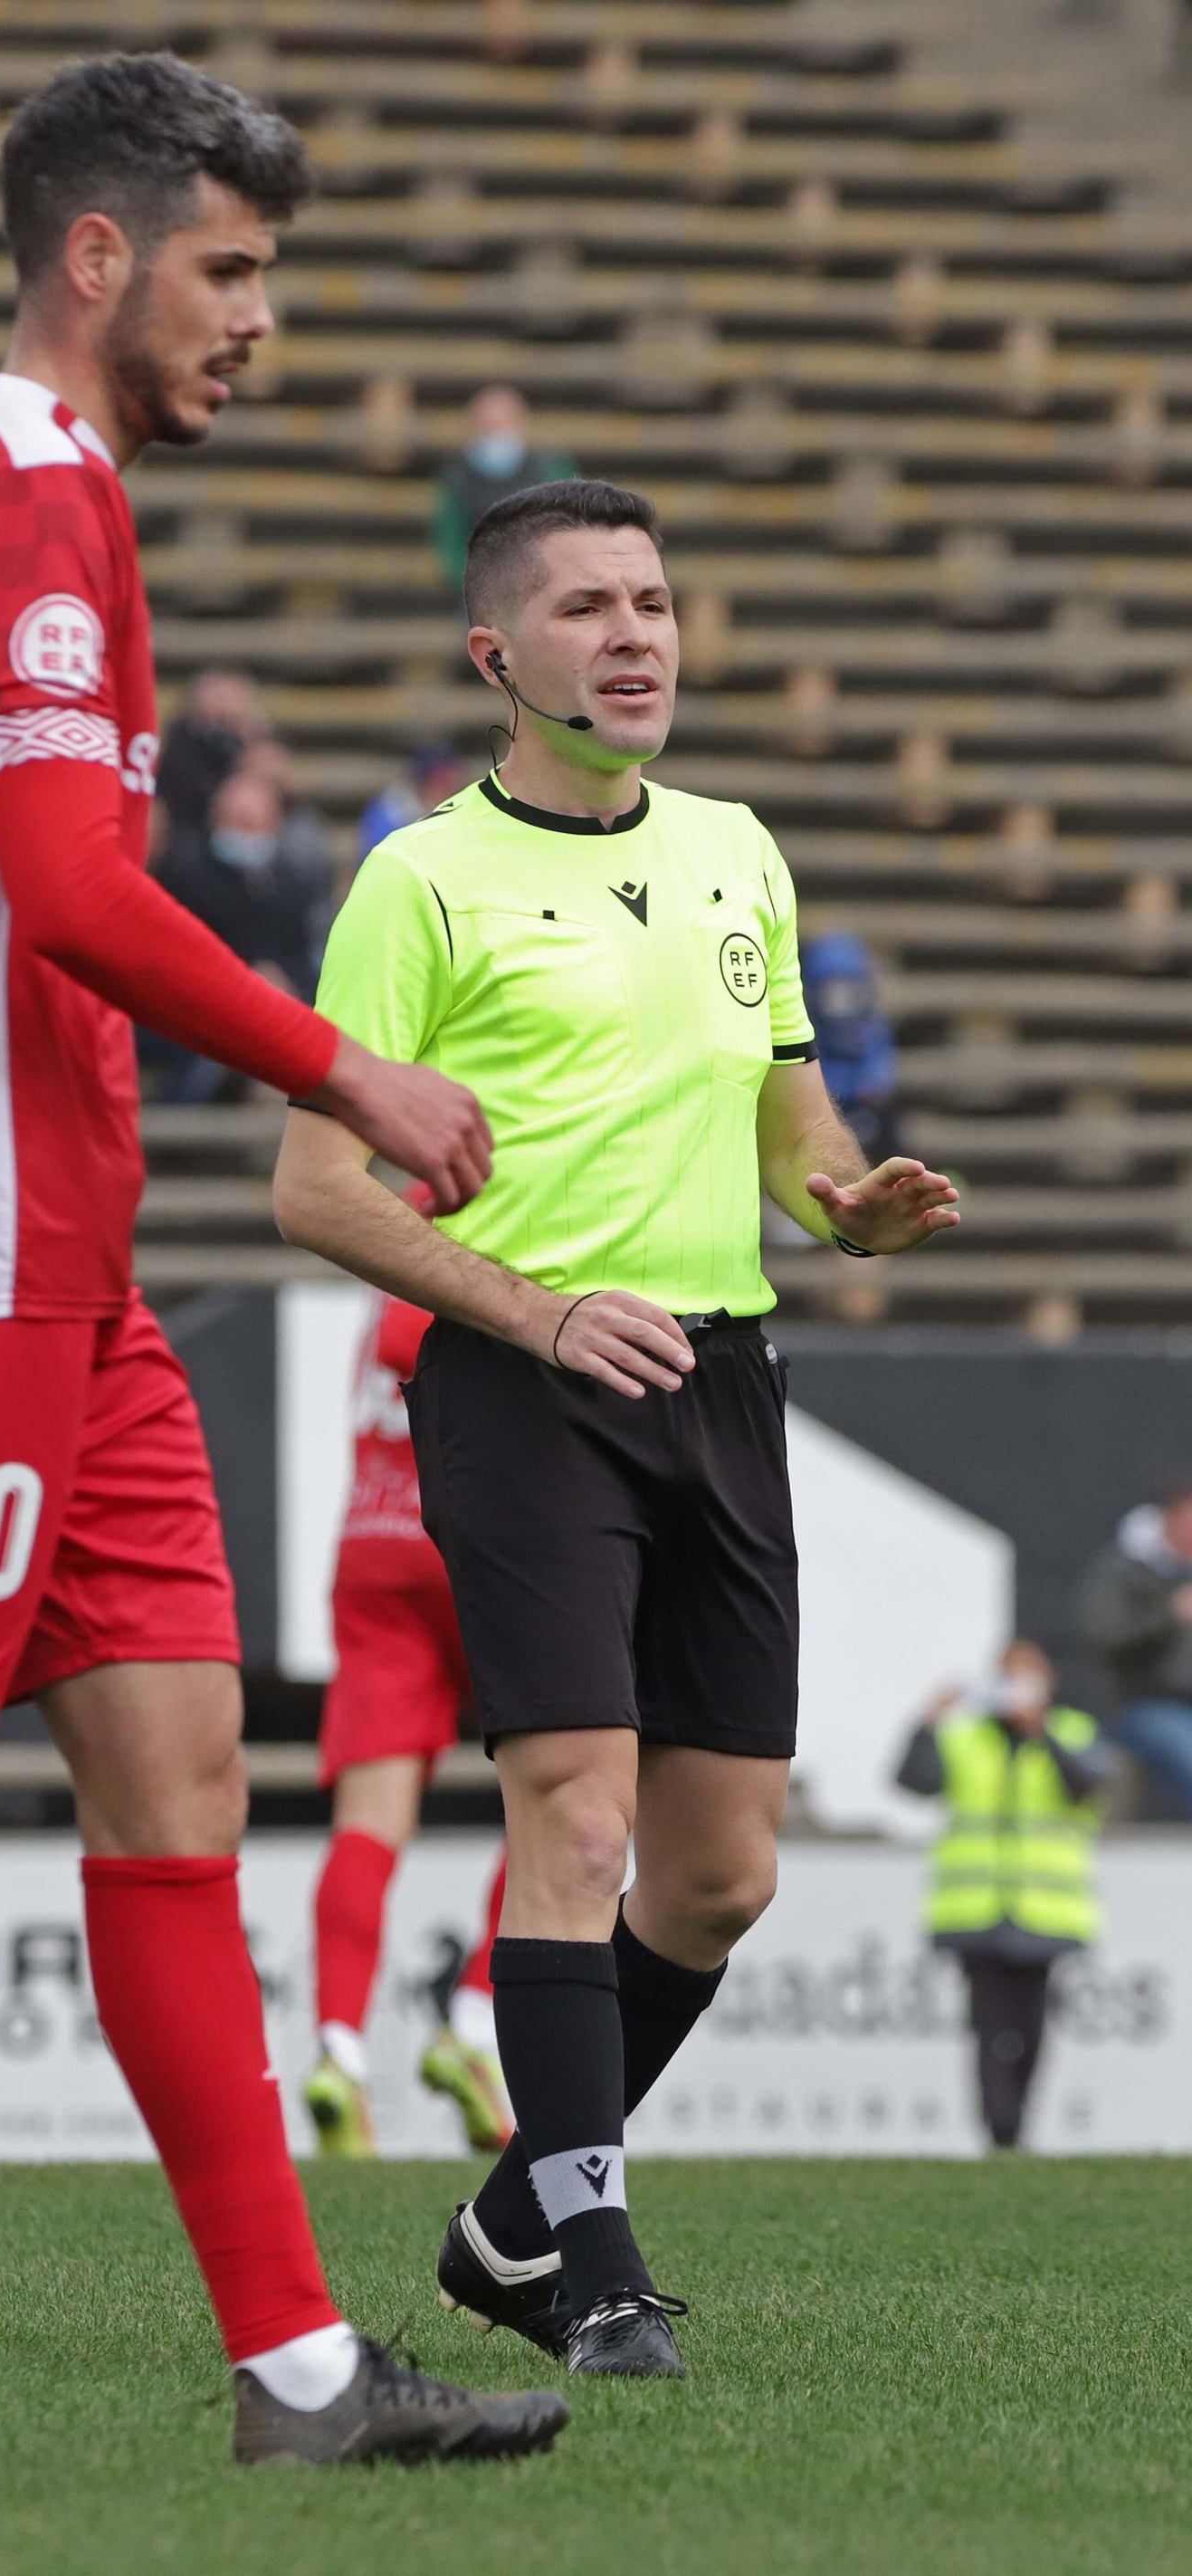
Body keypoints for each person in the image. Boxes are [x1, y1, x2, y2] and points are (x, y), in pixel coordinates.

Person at [0, 52, 565, 2473]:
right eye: (230, 270)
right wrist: (352, 1070)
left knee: (182, 1773)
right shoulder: (32, 505)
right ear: (95, 255)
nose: (259, 324)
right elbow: (87, 893)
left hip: (61, 1296)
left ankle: (303, 2369)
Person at [272, 476, 959, 2380]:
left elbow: (785, 1117)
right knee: (568, 1818)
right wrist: (531, 1309)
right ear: (497, 655)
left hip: (722, 1382)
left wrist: (844, 1202)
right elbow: (317, 1189)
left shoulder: (740, 850)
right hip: (523, 1381)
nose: (634, 635)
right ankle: (589, 2268)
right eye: (585, 607)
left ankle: (506, 2218)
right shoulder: (420, 879)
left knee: (721, 1869)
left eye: (651, 599)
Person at [307, 1214, 510, 2159]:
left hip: (373, 1546)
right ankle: (471, 2023)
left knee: (367, 1825)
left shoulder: (383, 1208)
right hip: (478, 1544)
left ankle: (337, 2052)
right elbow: (410, 1336)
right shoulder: (493, 1197)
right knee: (581, 1789)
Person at [896, 1641, 1112, 2151]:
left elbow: (1090, 1785)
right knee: (989, 2022)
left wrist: (1040, 1733)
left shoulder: (1073, 1732)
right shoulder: (966, 1737)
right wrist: (926, 1723)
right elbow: (914, 1781)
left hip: (1045, 1911)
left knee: (1033, 2025)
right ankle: (1001, 2126)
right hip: (979, 1911)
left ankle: (1016, 2120)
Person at [160, 766, 335, 1000]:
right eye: (237, 822)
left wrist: (286, 982)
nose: (245, 835)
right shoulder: (186, 877)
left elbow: (306, 956)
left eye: (253, 824)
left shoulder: (294, 885)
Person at [1077, 1485, 1192, 1817]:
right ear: (1169, 1519)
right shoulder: (1122, 1570)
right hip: (1139, 1704)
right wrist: (1169, 1615)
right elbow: (1106, 1631)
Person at [432, 387, 573, 592]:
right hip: (481, 586)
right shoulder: (458, 478)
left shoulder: (550, 470)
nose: (495, 435)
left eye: (502, 425)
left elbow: (568, 526)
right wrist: (472, 578)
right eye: (487, 427)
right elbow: (449, 537)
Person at [799, 928, 902, 1170]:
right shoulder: (803, 1029)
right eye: (832, 992)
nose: (841, 1003)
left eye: (850, 992)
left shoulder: (873, 1028)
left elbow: (880, 1077)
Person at [155, 666, 268, 839]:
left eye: (233, 699)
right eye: (219, 697)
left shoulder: (258, 746)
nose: (225, 707)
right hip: (187, 835)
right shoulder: (175, 745)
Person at [358, 746, 468, 869]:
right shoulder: (391, 811)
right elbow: (381, 860)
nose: (448, 789)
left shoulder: (465, 808)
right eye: (441, 782)